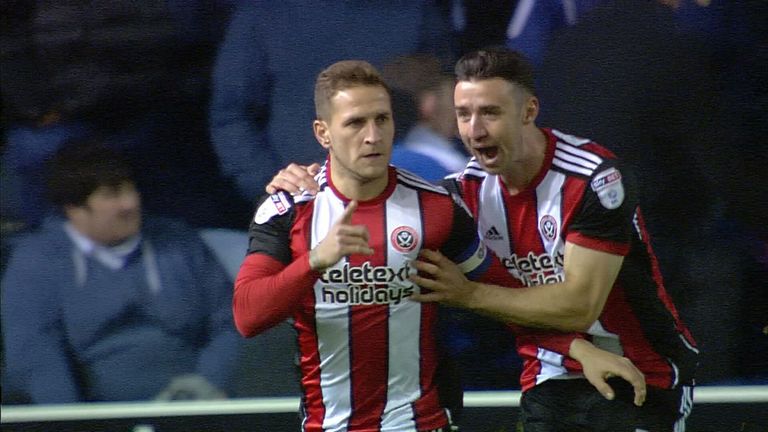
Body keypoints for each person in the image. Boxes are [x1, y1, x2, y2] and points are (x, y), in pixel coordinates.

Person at [266, 48, 697, 431]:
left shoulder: (594, 180)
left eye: (490, 112)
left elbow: (578, 305)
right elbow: (366, 177)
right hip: (550, 368)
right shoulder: (462, 193)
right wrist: (310, 177)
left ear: (529, 111)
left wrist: (469, 294)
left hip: (643, 369)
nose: (475, 129)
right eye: (463, 114)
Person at [1, 141, 241, 403]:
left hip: (195, 405)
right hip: (99, 414)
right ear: (75, 209)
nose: (130, 203)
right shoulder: (38, 261)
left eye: (130, 189)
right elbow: (34, 353)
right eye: (112, 194)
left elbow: (231, 321)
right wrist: (70, 420)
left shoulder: (178, 241)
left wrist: (209, 383)